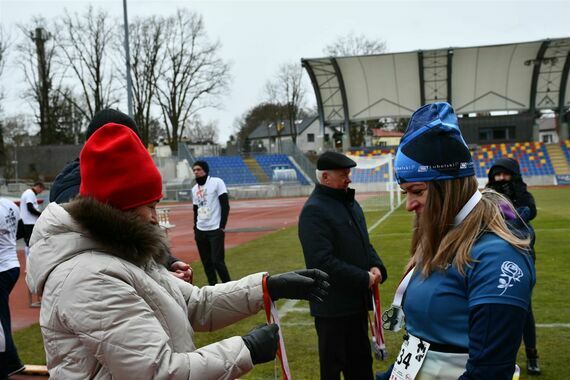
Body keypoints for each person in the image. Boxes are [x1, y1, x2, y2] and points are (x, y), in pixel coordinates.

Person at [26, 123, 330, 379]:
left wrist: (267, 287)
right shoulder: (89, 278)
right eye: (151, 205)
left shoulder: (121, 254)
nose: (155, 216)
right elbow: (159, 372)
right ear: (121, 208)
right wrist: (246, 349)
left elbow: (196, 304)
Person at [378, 102, 535, 380]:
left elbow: (488, 373)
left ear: (447, 188)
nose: (409, 205)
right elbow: (419, 344)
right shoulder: (442, 236)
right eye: (405, 193)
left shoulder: (497, 258)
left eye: (417, 191)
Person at [50, 108, 192, 282]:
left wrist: (168, 262)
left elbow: (137, 233)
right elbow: (109, 249)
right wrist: (161, 278)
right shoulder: (76, 188)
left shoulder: (119, 179)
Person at [298, 151, 388, 380]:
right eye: (344, 174)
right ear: (325, 177)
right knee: (333, 369)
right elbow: (321, 262)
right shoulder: (314, 210)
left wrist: (376, 266)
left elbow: (363, 242)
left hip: (356, 305)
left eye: (349, 173)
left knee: (361, 367)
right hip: (332, 310)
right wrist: (362, 278)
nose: (349, 178)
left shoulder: (349, 203)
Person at [487, 157, 540, 375]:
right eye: (497, 175)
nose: (501, 179)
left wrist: (509, 215)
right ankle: (500, 358)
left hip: (521, 257)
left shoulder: (524, 196)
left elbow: (527, 216)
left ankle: (532, 356)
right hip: (494, 259)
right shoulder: (487, 197)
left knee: (524, 309)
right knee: (494, 309)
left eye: (505, 174)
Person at [192, 161, 232, 285]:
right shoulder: (194, 189)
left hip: (215, 229)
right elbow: (195, 209)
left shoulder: (217, 182)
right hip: (200, 230)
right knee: (206, 262)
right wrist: (195, 227)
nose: (196, 172)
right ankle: (213, 287)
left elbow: (225, 205)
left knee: (217, 261)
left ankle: (229, 286)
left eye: (198, 169)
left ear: (205, 170)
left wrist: (222, 226)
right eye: (194, 170)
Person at [0, 197, 25, 377]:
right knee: (2, 317)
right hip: (12, 266)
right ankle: (12, 362)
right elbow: (21, 231)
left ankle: (6, 365)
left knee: (0, 322)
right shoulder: (9, 204)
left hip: (1, 269)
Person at [19, 182, 44, 256]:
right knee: (30, 242)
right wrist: (40, 214)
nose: (40, 192)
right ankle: (29, 261)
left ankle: (28, 261)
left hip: (28, 221)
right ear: (39, 187)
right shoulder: (30, 193)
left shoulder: (29, 193)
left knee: (29, 242)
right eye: (41, 190)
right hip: (29, 222)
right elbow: (30, 208)